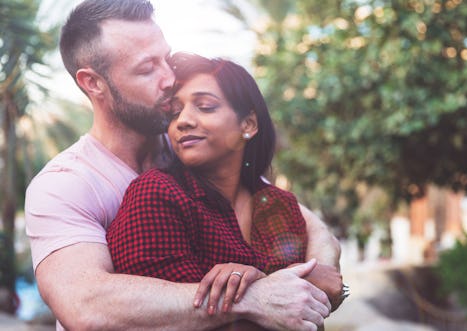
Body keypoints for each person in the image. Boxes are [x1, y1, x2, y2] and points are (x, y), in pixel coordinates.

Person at [24, 0, 344, 330]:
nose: (168, 78)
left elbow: (309, 225)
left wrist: (315, 276)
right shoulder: (65, 184)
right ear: (93, 83)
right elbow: (86, 306)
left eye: (167, 58)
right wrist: (252, 297)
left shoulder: (191, 146)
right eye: (147, 68)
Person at [107, 53, 343, 328]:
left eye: (205, 106)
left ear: (248, 125)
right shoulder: (156, 194)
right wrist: (262, 286)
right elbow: (161, 319)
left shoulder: (280, 204)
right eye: (174, 112)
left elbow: (312, 307)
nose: (183, 121)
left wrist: (300, 287)